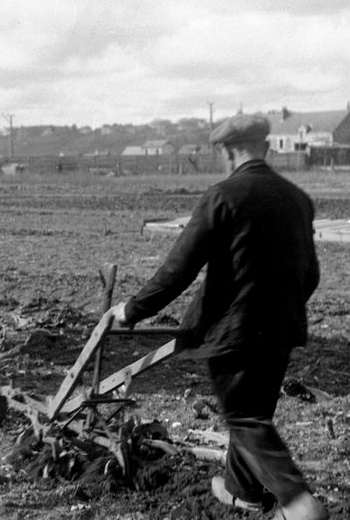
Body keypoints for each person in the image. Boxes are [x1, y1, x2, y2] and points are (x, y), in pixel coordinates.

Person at [110, 113, 327, 520]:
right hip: (281, 329)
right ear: (264, 147)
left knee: (244, 418)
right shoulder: (297, 198)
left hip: (235, 332)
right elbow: (309, 274)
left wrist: (133, 310)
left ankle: (299, 503)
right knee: (255, 412)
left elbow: (179, 268)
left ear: (227, 152)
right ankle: (241, 490)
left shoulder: (223, 197)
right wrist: (279, 308)